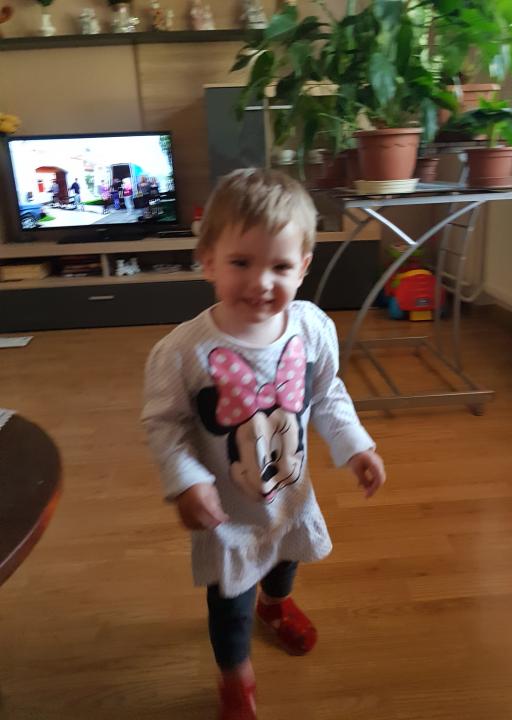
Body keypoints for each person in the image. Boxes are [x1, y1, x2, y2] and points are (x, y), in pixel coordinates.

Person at [141, 169, 386, 720]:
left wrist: (355, 446)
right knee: (230, 602)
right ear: (207, 260)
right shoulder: (182, 352)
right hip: (226, 512)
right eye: (241, 263)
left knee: (284, 560)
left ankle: (275, 605)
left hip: (289, 492)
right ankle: (236, 676)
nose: (261, 283)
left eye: (279, 266)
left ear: (303, 266)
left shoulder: (311, 328)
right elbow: (165, 424)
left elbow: (326, 394)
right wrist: (186, 480)